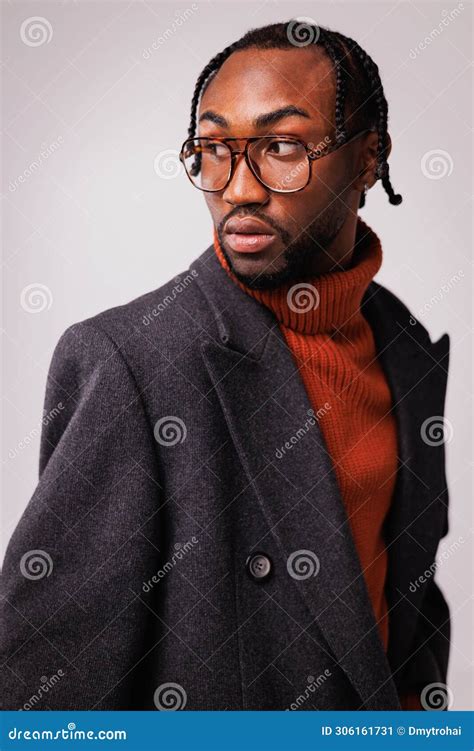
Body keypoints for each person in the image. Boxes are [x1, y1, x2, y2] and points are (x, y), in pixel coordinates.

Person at [1, 20, 451, 711]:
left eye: (281, 146)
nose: (237, 188)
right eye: (213, 149)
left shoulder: (405, 345)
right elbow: (42, 697)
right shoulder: (135, 361)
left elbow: (403, 604)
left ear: (368, 159)